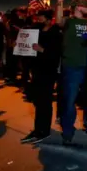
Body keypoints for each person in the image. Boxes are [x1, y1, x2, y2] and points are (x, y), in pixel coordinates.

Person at [56, 0, 87, 145]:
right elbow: (58, 21)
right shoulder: (69, 22)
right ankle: (68, 130)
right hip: (72, 67)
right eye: (85, 6)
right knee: (69, 100)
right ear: (77, 7)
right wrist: (59, 2)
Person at [21, 9, 62, 144]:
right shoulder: (36, 30)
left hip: (48, 71)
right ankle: (38, 128)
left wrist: (42, 50)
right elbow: (27, 43)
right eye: (38, 17)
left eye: (41, 17)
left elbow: (56, 53)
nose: (38, 19)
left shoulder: (55, 32)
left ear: (49, 19)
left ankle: (43, 131)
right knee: (38, 101)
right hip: (37, 70)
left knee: (44, 101)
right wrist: (20, 46)